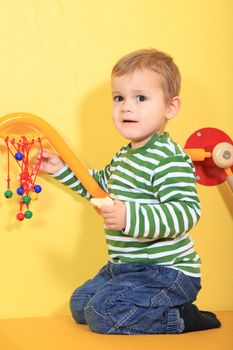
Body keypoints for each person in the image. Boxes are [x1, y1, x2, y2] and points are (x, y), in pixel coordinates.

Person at [39, 48, 221, 334]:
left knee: (102, 313)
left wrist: (129, 217)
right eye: (119, 98)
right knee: (80, 304)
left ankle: (181, 317)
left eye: (140, 98)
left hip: (167, 271)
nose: (126, 107)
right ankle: (157, 307)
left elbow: (186, 212)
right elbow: (98, 188)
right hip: (124, 268)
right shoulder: (125, 156)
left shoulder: (168, 158)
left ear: (170, 108)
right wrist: (60, 169)